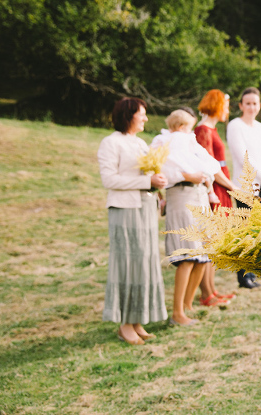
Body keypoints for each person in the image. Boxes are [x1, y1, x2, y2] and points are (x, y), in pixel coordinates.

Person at [97, 98, 168, 345]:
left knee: (145, 263)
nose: (146, 118)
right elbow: (110, 180)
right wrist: (146, 182)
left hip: (145, 209)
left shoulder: (140, 143)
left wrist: (157, 185)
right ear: (129, 115)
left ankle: (137, 320)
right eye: (142, 114)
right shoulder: (111, 142)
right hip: (124, 210)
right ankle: (124, 324)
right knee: (127, 263)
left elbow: (147, 175)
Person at [151, 109, 221, 325]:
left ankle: (188, 305)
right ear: (181, 126)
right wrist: (186, 174)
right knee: (188, 255)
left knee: (203, 255)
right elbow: (162, 169)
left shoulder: (188, 143)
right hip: (181, 196)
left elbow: (210, 164)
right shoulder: (164, 142)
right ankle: (177, 312)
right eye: (189, 127)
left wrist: (206, 183)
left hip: (198, 194)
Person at [226, 87, 261, 289]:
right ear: (240, 105)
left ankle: (258, 270)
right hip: (246, 187)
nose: (251, 107)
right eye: (247, 103)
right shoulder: (235, 125)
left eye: (255, 103)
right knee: (245, 232)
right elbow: (243, 157)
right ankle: (244, 275)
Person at [194, 90, 240, 306]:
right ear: (217, 105)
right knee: (210, 240)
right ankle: (206, 293)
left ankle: (212, 290)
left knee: (217, 242)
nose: (228, 111)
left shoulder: (212, 129)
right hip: (217, 187)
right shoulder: (202, 130)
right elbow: (209, 167)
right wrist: (232, 187)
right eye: (226, 106)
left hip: (223, 186)